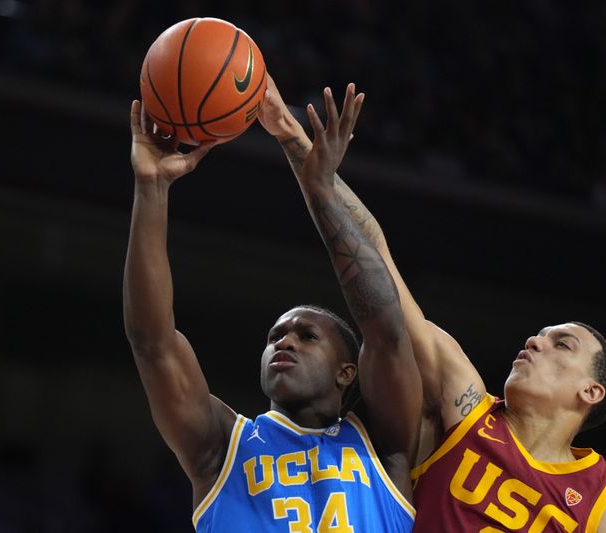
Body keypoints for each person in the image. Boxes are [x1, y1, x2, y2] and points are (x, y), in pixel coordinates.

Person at [259, 75, 606, 532]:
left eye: (562, 345)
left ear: (590, 392)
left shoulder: (603, 512)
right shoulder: (465, 404)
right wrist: (291, 138)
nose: (536, 341)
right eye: (542, 335)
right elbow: (377, 260)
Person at [123, 89, 421, 532]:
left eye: (307, 335)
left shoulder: (382, 446)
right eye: (275, 336)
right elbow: (154, 345)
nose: (284, 340)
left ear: (347, 372)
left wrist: (320, 190)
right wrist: (151, 188)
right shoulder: (222, 444)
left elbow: (387, 328)